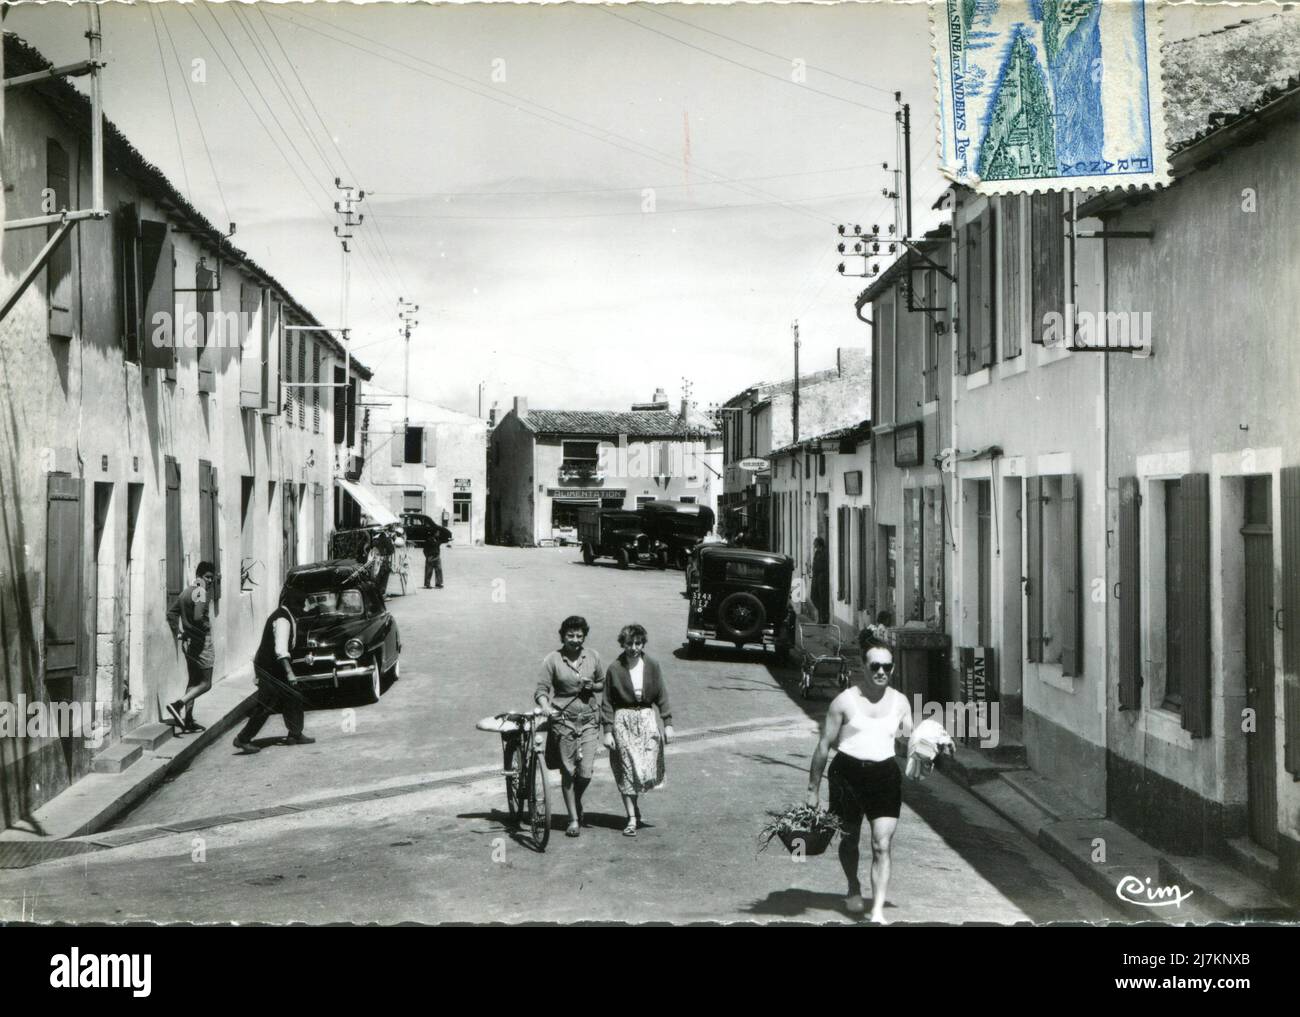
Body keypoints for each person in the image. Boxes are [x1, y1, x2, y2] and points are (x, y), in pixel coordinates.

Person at [806, 644, 912, 923]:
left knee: (882, 844)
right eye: (874, 666)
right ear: (863, 667)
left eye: (886, 667)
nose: (880, 672)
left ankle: (876, 911)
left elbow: (909, 743)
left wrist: (932, 751)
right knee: (849, 838)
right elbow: (824, 745)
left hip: (885, 776)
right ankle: (853, 885)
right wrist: (812, 790)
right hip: (847, 775)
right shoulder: (844, 702)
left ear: (893, 669)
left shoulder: (901, 702)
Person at [601, 623, 674, 837]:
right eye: (629, 643)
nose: (634, 647)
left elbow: (662, 694)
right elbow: (606, 702)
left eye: (638, 643)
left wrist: (667, 724)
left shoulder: (652, 664)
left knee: (645, 771)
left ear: (643, 643)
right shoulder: (615, 668)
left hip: (647, 719)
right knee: (626, 769)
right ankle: (631, 817)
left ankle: (635, 806)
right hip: (623, 720)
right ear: (622, 643)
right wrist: (607, 731)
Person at [536, 615, 605, 838]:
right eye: (570, 635)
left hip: (590, 720)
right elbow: (541, 690)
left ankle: (575, 799)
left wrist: (593, 685)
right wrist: (545, 706)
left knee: (585, 772)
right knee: (568, 771)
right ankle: (573, 818)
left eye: (579, 636)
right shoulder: (553, 659)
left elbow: (603, 682)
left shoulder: (593, 656)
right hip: (563, 721)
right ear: (562, 636)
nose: (575, 640)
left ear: (584, 636)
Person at [232, 590, 319, 753]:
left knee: (294, 696)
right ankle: (242, 739)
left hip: (273, 666)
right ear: (293, 605)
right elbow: (281, 650)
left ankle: (295, 733)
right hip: (269, 668)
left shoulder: (288, 616)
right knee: (267, 703)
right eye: (301, 605)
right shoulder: (282, 620)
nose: (304, 609)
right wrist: (290, 673)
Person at [164, 561, 216, 733]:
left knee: (193, 680)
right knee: (206, 683)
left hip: (188, 643)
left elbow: (171, 613)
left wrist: (179, 633)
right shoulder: (200, 592)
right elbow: (198, 616)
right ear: (199, 576)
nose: (210, 581)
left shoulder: (186, 592)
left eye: (211, 578)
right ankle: (178, 704)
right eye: (207, 577)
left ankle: (187, 720)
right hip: (201, 642)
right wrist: (203, 627)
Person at [422, 519, 453, 589]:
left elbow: (443, 541)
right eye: (437, 532)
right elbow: (424, 550)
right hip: (430, 556)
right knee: (429, 571)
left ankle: (438, 583)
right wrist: (427, 556)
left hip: (437, 556)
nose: (439, 533)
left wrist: (448, 540)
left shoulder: (438, 539)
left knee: (439, 570)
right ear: (435, 533)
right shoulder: (429, 540)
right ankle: (427, 584)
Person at [371, 526, 396, 596]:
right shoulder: (385, 538)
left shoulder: (374, 538)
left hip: (373, 558)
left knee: (375, 575)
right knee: (384, 574)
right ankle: (381, 593)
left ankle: (375, 592)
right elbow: (391, 550)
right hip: (383, 560)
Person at [811, 536, 830, 623]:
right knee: (814, 597)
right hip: (816, 578)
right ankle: (822, 615)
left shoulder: (824, 553)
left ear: (818, 544)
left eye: (815, 543)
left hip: (822, 579)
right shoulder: (817, 553)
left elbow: (822, 566)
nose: (813, 544)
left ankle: (822, 618)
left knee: (822, 599)